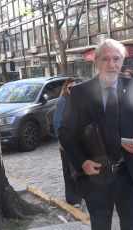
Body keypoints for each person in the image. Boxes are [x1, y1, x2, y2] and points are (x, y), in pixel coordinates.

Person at [59, 38, 133, 230]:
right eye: (105, 59)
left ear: (122, 61)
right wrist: (82, 162)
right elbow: (65, 133)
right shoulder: (79, 93)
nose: (111, 65)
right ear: (95, 62)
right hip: (97, 178)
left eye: (116, 59)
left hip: (130, 176)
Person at [53, 77, 82, 208]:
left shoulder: (78, 100)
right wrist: (59, 138)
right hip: (66, 139)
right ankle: (71, 198)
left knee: (78, 166)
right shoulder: (62, 101)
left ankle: (80, 195)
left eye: (75, 87)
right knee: (68, 169)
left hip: (78, 139)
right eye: (70, 88)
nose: (73, 90)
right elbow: (56, 121)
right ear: (66, 88)